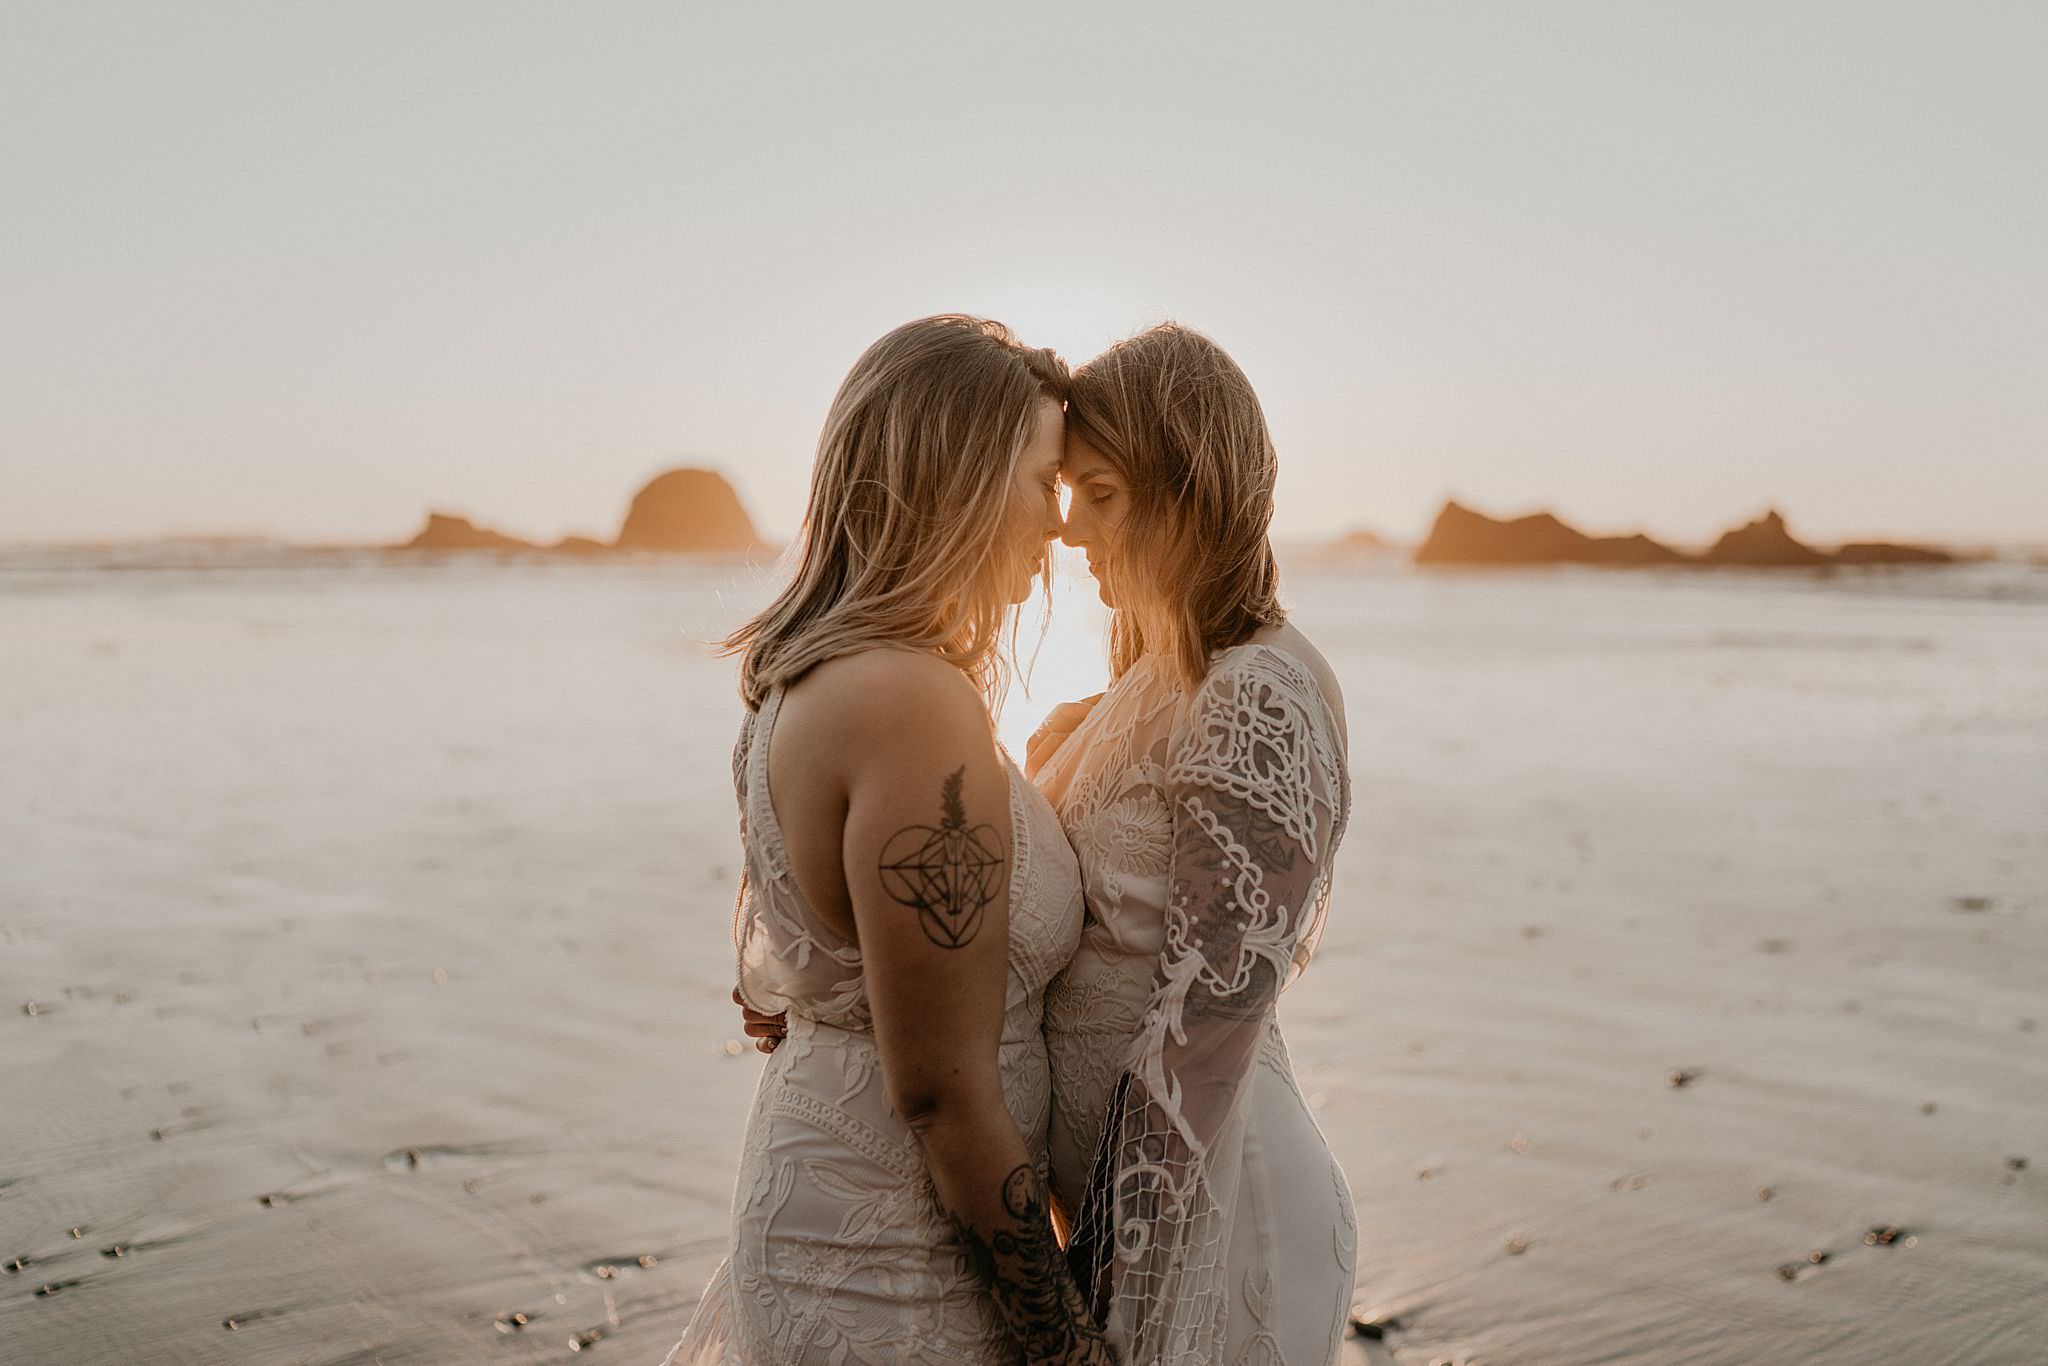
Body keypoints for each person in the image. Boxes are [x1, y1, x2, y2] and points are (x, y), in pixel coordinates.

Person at [665, 316, 1114, 1365]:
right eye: (1039, 481)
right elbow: (941, 1089)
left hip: (848, 1208)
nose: (1054, 525)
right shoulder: (911, 703)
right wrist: (1068, 1347)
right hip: (899, 1266)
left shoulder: (815, 678)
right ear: (955, 476)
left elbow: (814, 970)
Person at [1031, 323, 1357, 1365]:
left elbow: (1203, 1026)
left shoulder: (1255, 694)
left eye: (1103, 493)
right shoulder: (1170, 677)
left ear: (1190, 489)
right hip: (1149, 1218)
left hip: (1211, 1222)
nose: (1069, 528)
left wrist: (1102, 1278)